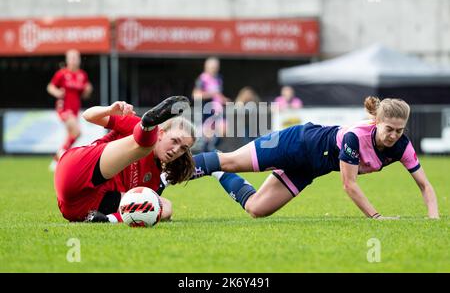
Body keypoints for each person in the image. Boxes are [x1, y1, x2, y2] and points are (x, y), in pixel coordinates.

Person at [187, 96, 439, 220]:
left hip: (309, 168)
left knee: (256, 209)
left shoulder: (402, 146)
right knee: (230, 159)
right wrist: (377, 218)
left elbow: (424, 185)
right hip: (297, 142)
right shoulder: (355, 138)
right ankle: (171, 171)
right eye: (389, 129)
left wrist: (433, 218)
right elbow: (349, 184)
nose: (394, 135)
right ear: (376, 122)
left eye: (399, 130)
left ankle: (217, 170)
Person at [54, 96, 195, 223]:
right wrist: (110, 110)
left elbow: (138, 211)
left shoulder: (153, 179)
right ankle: (147, 129)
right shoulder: (134, 123)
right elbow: (88, 115)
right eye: (175, 141)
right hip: (77, 170)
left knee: (164, 206)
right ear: (161, 133)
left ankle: (107, 220)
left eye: (183, 148)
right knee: (146, 145)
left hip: (80, 210)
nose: (176, 150)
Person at [47, 49, 93, 171]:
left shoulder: (82, 75)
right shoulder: (62, 73)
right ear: (67, 60)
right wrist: (57, 92)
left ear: (79, 60)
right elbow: (50, 87)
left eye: (75, 58)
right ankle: (59, 158)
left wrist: (88, 90)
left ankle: (57, 160)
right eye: (71, 58)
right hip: (64, 108)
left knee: (71, 135)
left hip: (75, 109)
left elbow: (84, 94)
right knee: (77, 132)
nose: (73, 60)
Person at [192, 57, 229, 152]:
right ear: (206, 67)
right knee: (208, 137)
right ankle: (206, 155)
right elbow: (196, 95)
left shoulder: (218, 79)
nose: (214, 68)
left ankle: (213, 150)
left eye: (216, 66)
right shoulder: (202, 79)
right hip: (207, 112)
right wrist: (211, 94)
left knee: (224, 131)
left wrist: (224, 100)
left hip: (218, 111)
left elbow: (217, 95)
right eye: (212, 66)